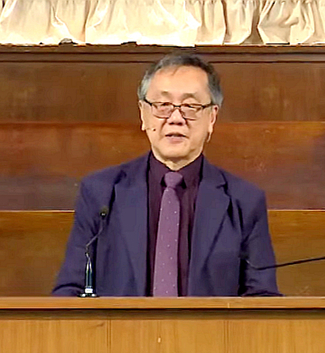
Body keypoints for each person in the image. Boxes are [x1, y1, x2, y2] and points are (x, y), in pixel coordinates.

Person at [53, 53, 280, 297]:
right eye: (163, 106)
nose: (175, 119)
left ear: (212, 117)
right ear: (143, 113)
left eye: (190, 107)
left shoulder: (243, 202)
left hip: (209, 336)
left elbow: (261, 297)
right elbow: (70, 290)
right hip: (119, 335)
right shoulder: (100, 193)